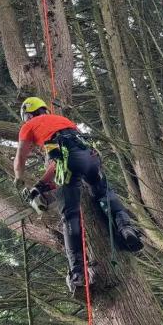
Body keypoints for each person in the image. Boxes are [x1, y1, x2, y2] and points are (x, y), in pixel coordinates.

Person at [13, 97, 143, 291]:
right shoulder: (63, 121)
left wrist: (19, 177)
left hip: (70, 160)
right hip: (90, 157)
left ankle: (78, 272)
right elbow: (65, 160)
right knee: (104, 193)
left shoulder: (30, 125)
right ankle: (126, 229)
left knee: (70, 215)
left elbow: (25, 157)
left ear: (29, 114)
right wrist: (41, 185)